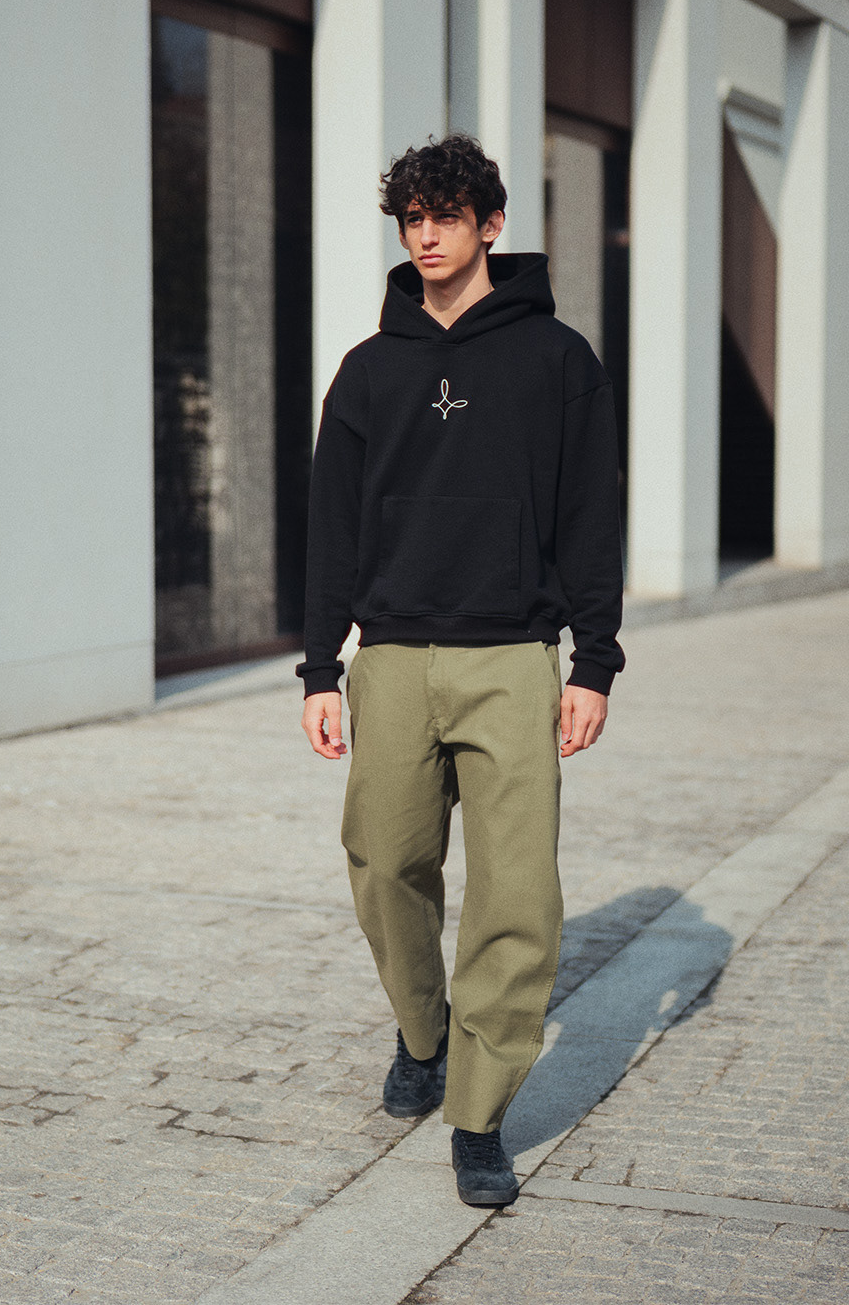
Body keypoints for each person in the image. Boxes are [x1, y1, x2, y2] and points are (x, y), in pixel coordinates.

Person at [297, 134, 624, 1206]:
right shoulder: (369, 369)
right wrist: (319, 669)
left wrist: (594, 662)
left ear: (491, 224)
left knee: (516, 892)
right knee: (385, 864)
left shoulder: (558, 360)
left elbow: (591, 516)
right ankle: (424, 1031)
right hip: (391, 658)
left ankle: (479, 1114)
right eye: (413, 218)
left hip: (515, 659)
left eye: (447, 215)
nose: (427, 235)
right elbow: (332, 529)